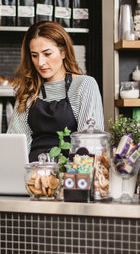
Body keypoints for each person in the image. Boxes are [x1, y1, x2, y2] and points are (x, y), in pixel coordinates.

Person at [7, 20, 104, 161]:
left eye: (47, 54)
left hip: (72, 174)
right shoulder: (29, 91)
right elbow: (15, 145)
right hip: (34, 175)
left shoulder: (84, 85)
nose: (40, 63)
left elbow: (89, 145)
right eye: (34, 55)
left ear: (63, 52)